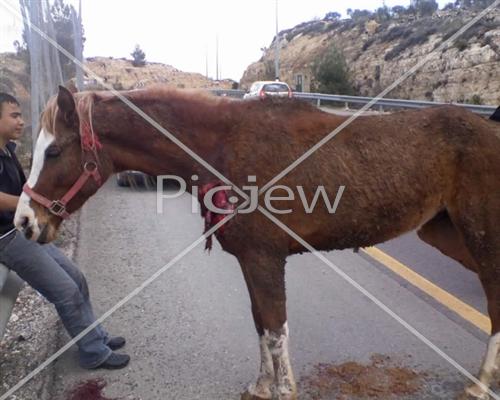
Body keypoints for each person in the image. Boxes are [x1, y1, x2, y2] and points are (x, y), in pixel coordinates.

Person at [0, 92, 130, 370]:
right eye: (14, 115)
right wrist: (31, 203)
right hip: (7, 239)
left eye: (21, 115)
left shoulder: (8, 151)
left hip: (24, 229)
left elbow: (29, 189)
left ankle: (97, 336)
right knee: (65, 290)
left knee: (77, 280)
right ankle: (94, 352)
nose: (21, 122)